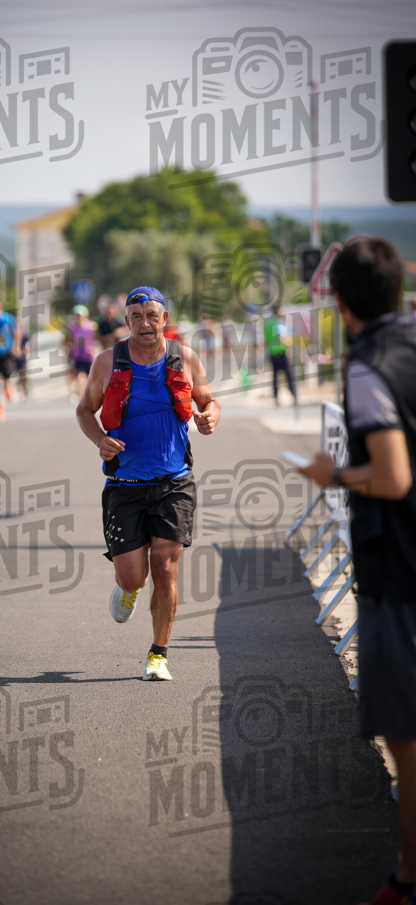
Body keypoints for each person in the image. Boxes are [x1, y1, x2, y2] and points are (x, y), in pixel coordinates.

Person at [298, 238, 416, 905]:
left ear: (337, 301)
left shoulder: (366, 365)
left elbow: (392, 476)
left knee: (404, 737)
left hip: (397, 573)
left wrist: (332, 474)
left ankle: (405, 875)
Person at [76, 286, 220, 681]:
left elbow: (209, 402)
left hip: (174, 481)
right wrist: (99, 440)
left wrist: (210, 417)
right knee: (133, 576)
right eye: (136, 317)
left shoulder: (185, 358)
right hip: (125, 485)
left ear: (164, 320)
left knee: (166, 567)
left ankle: (158, 654)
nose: (145, 323)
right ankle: (127, 589)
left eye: (152, 315)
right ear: (126, 322)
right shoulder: (107, 362)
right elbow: (85, 410)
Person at [264, 303, 296, 405]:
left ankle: (276, 398)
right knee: (288, 376)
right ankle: (295, 396)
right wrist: (290, 345)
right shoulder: (279, 322)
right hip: (281, 352)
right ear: (277, 311)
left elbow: (266, 340)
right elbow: (282, 337)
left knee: (275, 377)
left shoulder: (267, 323)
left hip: (272, 353)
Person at [68, 304, 98, 398]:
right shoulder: (72, 328)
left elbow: (97, 339)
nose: (78, 317)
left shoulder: (92, 326)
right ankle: (82, 399)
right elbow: (69, 340)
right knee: (80, 378)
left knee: (91, 381)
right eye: (76, 315)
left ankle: (89, 398)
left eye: (80, 315)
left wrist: (94, 348)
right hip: (78, 357)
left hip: (89, 356)